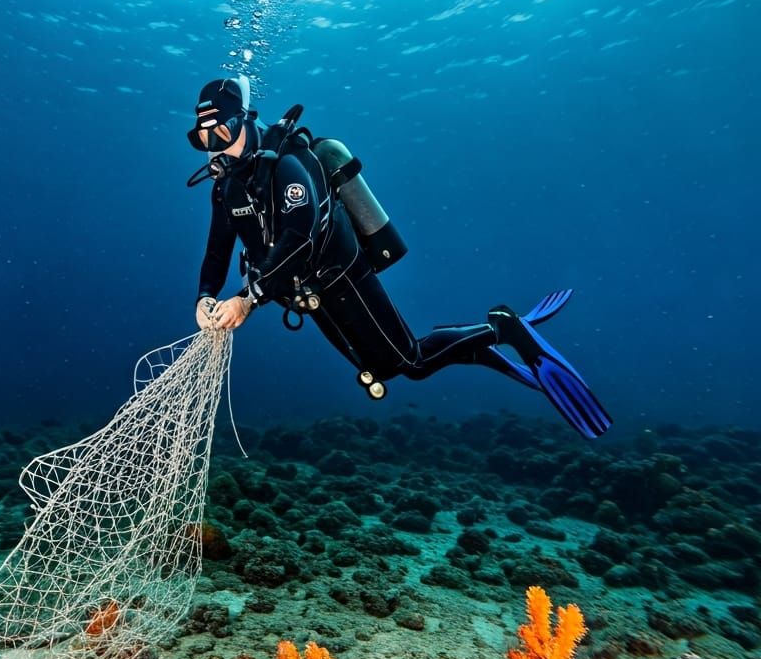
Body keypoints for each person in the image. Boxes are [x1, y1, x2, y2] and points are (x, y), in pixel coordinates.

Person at [185, 75, 611, 439]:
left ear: (245, 121)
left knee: (412, 362)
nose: (213, 147)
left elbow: (298, 239)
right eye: (201, 138)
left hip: (341, 275)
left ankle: (501, 329)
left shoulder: (287, 167)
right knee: (383, 369)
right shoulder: (226, 187)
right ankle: (479, 345)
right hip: (304, 292)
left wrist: (248, 298)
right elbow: (217, 248)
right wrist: (205, 295)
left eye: (221, 133)